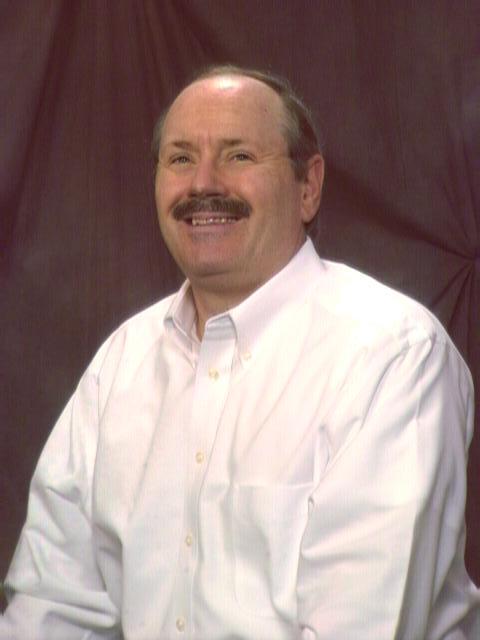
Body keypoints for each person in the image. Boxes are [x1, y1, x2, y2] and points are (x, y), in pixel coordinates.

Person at [1, 64, 479, 639]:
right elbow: (53, 607)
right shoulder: (120, 363)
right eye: (181, 158)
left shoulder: (393, 355)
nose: (202, 184)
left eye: (238, 155)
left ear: (308, 187)